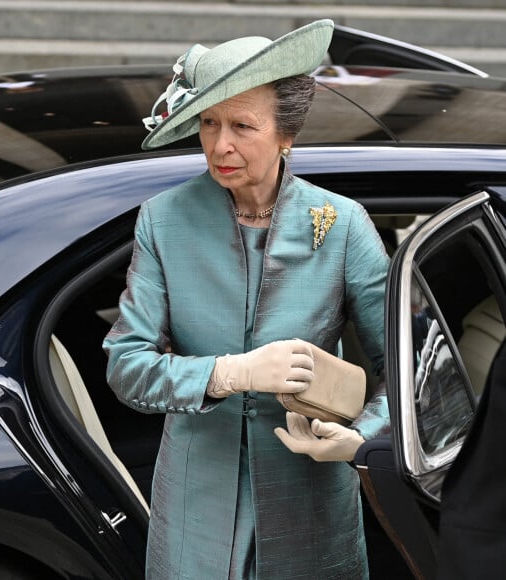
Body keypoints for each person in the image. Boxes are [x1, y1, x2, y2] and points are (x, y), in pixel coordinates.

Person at [103, 18, 390, 580]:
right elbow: (126, 367)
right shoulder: (164, 221)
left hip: (310, 501)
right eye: (208, 123)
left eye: (241, 125)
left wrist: (360, 439)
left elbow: (405, 373)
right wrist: (229, 373)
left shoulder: (343, 224)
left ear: (287, 135)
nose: (219, 144)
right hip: (195, 505)